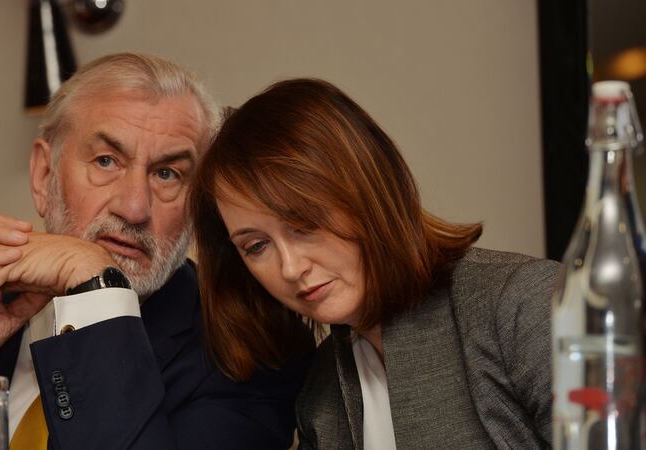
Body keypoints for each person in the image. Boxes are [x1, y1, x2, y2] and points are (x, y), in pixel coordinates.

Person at [0, 53, 313, 449]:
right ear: (43, 176)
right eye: (106, 161)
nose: (134, 208)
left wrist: (95, 283)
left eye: (168, 174)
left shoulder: (251, 355)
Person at [189, 78, 557, 449]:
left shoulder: (524, 305)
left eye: (303, 225)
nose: (290, 268)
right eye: (255, 246)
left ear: (366, 193)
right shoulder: (321, 393)